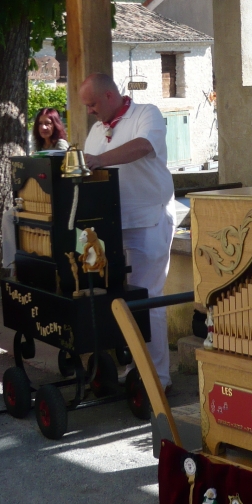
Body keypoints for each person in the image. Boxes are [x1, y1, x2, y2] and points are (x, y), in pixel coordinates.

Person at [79, 73, 175, 391]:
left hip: (149, 219)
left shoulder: (146, 113)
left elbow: (144, 146)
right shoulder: (95, 130)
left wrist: (98, 161)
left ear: (109, 96)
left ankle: (158, 379)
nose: (90, 110)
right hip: (112, 227)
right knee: (122, 301)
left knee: (148, 299)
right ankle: (136, 369)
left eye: (92, 103)